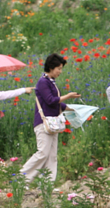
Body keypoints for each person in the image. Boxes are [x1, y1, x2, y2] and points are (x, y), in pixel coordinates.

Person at [20, 53, 80, 184]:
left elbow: (57, 104)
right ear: (51, 67)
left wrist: (73, 108)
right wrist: (68, 96)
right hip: (44, 123)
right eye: (58, 68)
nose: (60, 71)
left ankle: (47, 184)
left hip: (53, 123)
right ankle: (21, 178)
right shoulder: (43, 82)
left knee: (52, 156)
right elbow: (51, 100)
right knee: (42, 153)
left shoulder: (51, 82)